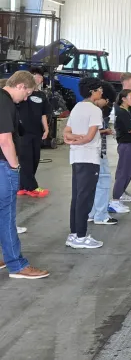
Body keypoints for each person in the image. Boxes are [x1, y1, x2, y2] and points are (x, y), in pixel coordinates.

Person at [0, 71, 49, 278]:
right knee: (7, 215)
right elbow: (5, 140)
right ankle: (17, 264)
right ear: (20, 86)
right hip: (3, 165)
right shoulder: (5, 103)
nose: (27, 98)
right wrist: (14, 167)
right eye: (27, 93)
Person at [64, 77, 106, 250]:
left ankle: (74, 234)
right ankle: (81, 236)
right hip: (89, 158)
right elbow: (89, 137)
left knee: (77, 196)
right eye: (99, 89)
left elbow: (66, 132)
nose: (101, 92)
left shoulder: (77, 107)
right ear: (92, 91)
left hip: (76, 157)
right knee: (85, 198)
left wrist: (72, 140)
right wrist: (78, 140)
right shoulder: (95, 110)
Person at [16, 67, 52, 198]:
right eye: (35, 75)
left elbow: (43, 114)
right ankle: (32, 187)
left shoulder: (42, 95)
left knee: (35, 159)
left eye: (40, 76)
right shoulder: (23, 93)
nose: (37, 78)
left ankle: (23, 186)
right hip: (22, 132)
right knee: (25, 160)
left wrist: (46, 128)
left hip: (37, 132)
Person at [88, 82, 121, 224]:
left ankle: (92, 212)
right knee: (103, 181)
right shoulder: (95, 111)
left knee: (92, 184)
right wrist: (105, 131)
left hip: (89, 154)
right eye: (107, 101)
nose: (107, 104)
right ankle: (101, 215)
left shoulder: (82, 108)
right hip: (97, 152)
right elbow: (89, 132)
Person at [112, 89, 131, 208]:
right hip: (126, 144)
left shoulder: (128, 111)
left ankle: (121, 193)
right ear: (123, 99)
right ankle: (115, 200)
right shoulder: (122, 112)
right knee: (124, 172)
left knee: (128, 171)